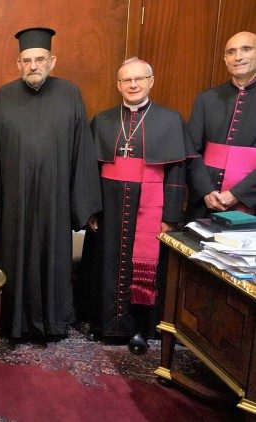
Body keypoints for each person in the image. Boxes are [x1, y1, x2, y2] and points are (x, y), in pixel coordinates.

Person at [0, 27, 101, 342]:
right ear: (18, 63)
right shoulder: (3, 97)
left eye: (39, 59)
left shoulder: (70, 94)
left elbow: (82, 150)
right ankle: (14, 323)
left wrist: (83, 206)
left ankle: (54, 322)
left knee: (53, 258)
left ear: (52, 61)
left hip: (55, 200)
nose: (33, 65)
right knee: (14, 260)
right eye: (26, 60)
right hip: (15, 204)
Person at [79, 58, 189, 354]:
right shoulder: (102, 120)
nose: (133, 85)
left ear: (151, 81)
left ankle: (140, 327)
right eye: (127, 80)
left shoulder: (170, 120)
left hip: (150, 206)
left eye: (139, 79)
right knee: (105, 262)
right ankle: (103, 323)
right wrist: (92, 209)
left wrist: (171, 216)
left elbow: (177, 173)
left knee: (144, 264)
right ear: (118, 85)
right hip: (109, 206)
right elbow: (89, 170)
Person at [187, 31, 256, 219]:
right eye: (231, 52)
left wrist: (238, 194)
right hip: (206, 202)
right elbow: (191, 150)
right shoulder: (206, 98)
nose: (238, 57)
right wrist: (205, 190)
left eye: (246, 49)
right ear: (225, 59)